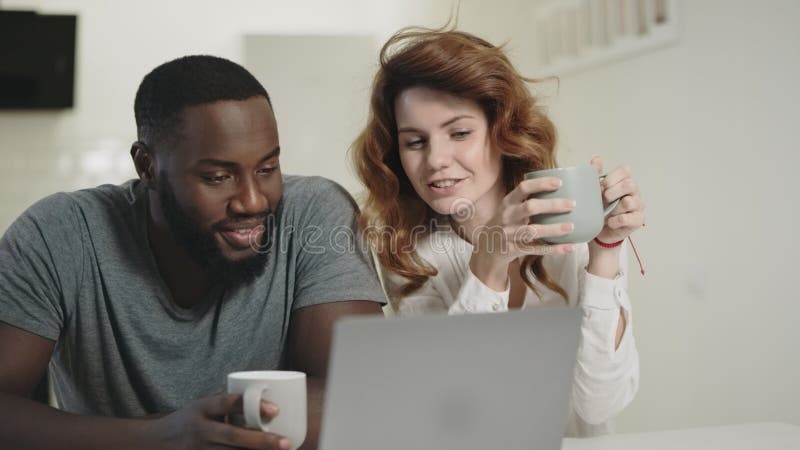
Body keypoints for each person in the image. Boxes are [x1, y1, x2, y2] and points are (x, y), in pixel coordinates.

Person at [0, 55, 386, 450]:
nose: (253, 201)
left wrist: (202, 431)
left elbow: (362, 394)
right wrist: (161, 436)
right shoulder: (59, 233)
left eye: (267, 168)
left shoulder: (314, 212)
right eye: (217, 177)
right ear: (147, 166)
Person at [352, 28, 644, 437]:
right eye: (415, 141)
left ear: (501, 130)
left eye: (459, 133)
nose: (436, 160)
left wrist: (606, 253)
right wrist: (490, 261)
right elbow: (447, 410)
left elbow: (597, 405)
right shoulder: (410, 252)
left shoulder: (574, 227)